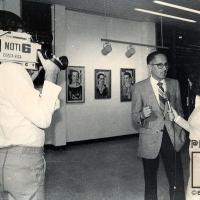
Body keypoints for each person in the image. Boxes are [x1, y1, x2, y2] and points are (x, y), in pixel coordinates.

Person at [131, 50, 186, 200]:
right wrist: (142, 115)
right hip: (150, 139)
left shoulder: (174, 84)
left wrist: (178, 127)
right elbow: (134, 117)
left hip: (171, 137)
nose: (164, 68)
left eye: (166, 65)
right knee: (150, 180)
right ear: (150, 67)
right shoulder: (139, 88)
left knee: (177, 179)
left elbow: (180, 110)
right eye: (159, 65)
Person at [171, 73, 200, 200]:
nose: (189, 84)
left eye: (191, 82)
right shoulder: (198, 103)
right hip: (195, 150)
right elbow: (193, 128)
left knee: (195, 190)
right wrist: (176, 117)